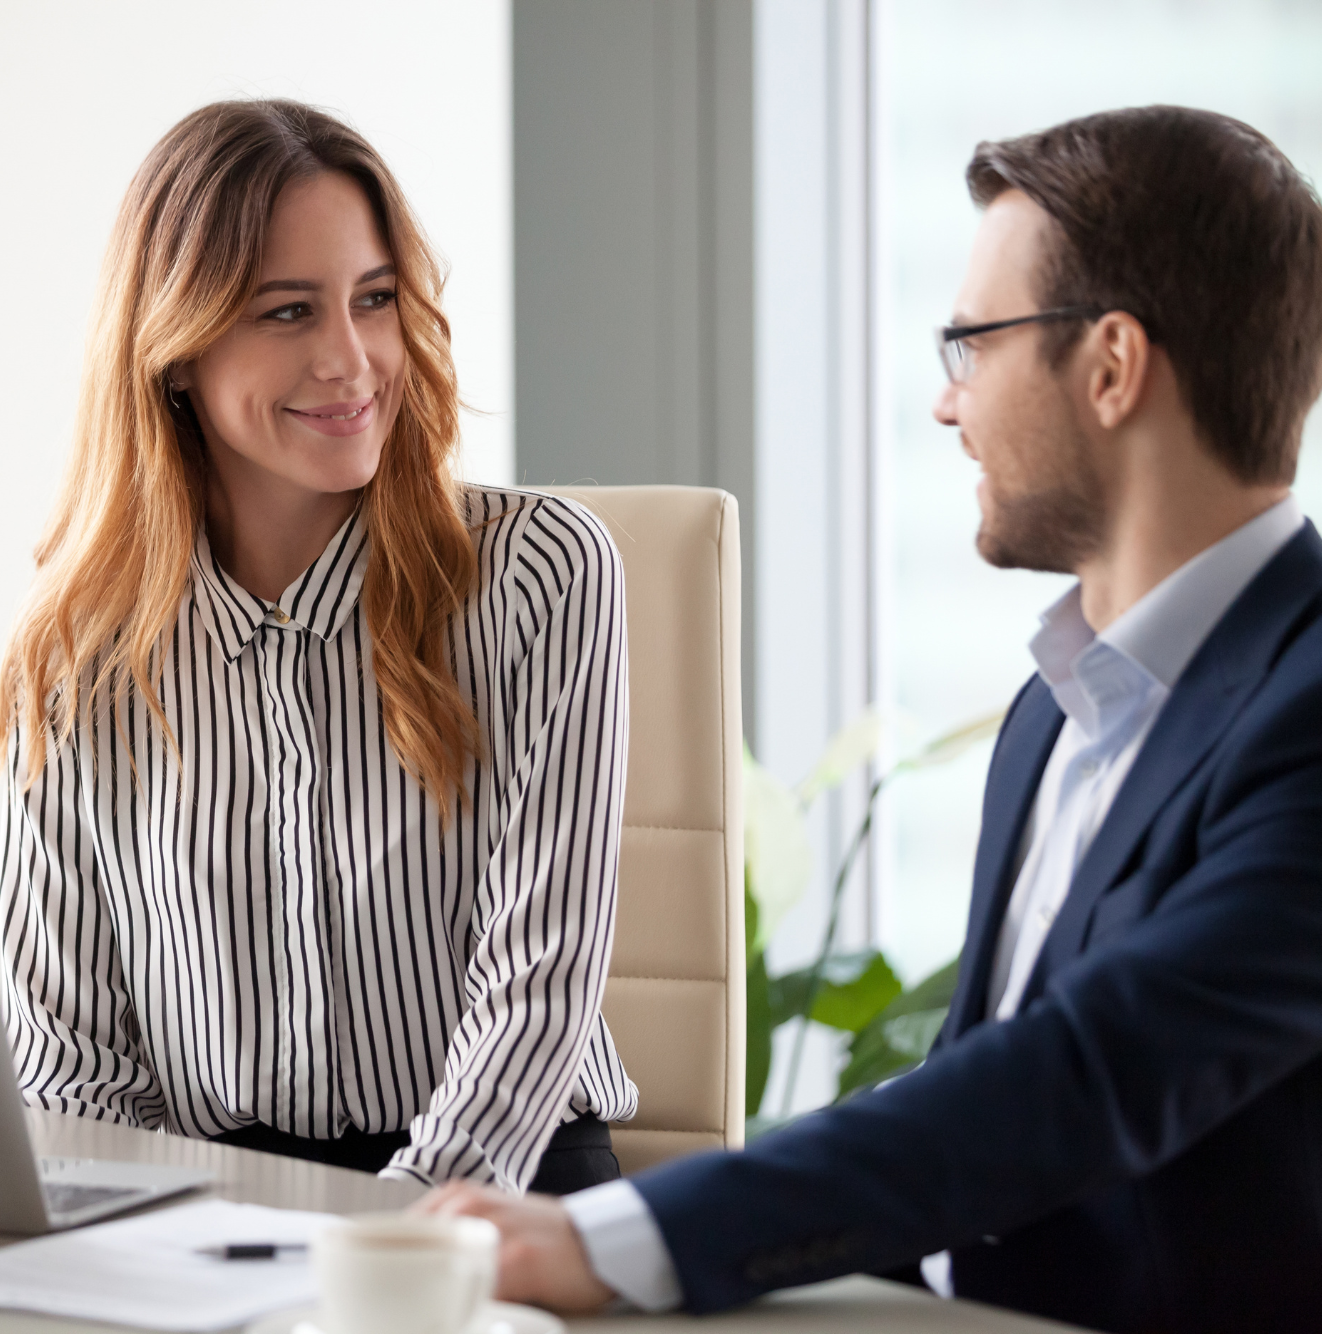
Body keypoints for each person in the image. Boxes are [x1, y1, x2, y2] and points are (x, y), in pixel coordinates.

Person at [416, 105, 1322, 1334]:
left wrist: (618, 1237)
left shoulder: (1302, 706)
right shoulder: (1054, 713)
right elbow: (964, 1096)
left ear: (1110, 367)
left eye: (971, 343)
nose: (948, 406)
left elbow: (1092, 1072)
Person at [0, 99, 636, 1195]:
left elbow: (536, 987)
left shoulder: (539, 572)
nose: (352, 360)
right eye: (288, 312)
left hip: (504, 1181)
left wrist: (389, 1247)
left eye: (375, 300)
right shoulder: (75, 661)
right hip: (208, 1205)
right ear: (175, 351)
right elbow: (71, 1062)